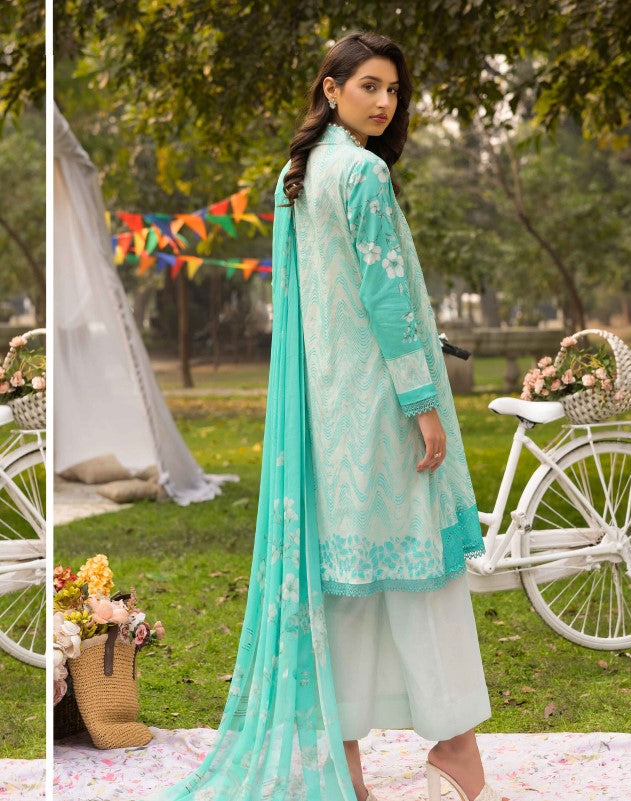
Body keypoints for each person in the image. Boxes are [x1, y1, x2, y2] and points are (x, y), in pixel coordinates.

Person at [144, 30, 502, 801]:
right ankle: (456, 748)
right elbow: (387, 298)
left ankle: (343, 766)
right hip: (383, 400)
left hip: (326, 407)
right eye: (369, 85)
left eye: (393, 89)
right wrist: (422, 405)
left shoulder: (297, 174)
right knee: (426, 572)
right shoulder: (362, 173)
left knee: (344, 581)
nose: (384, 102)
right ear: (331, 88)